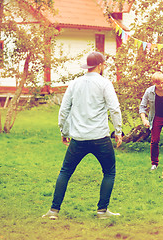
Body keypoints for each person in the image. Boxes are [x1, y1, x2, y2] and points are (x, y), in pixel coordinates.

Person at [42, 52, 123, 220]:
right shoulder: (105, 83)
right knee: (109, 172)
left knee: (65, 172)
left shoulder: (74, 84)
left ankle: (53, 211)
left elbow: (64, 110)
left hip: (78, 139)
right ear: (100, 65)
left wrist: (64, 132)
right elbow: (114, 109)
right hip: (100, 138)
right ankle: (102, 211)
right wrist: (118, 131)